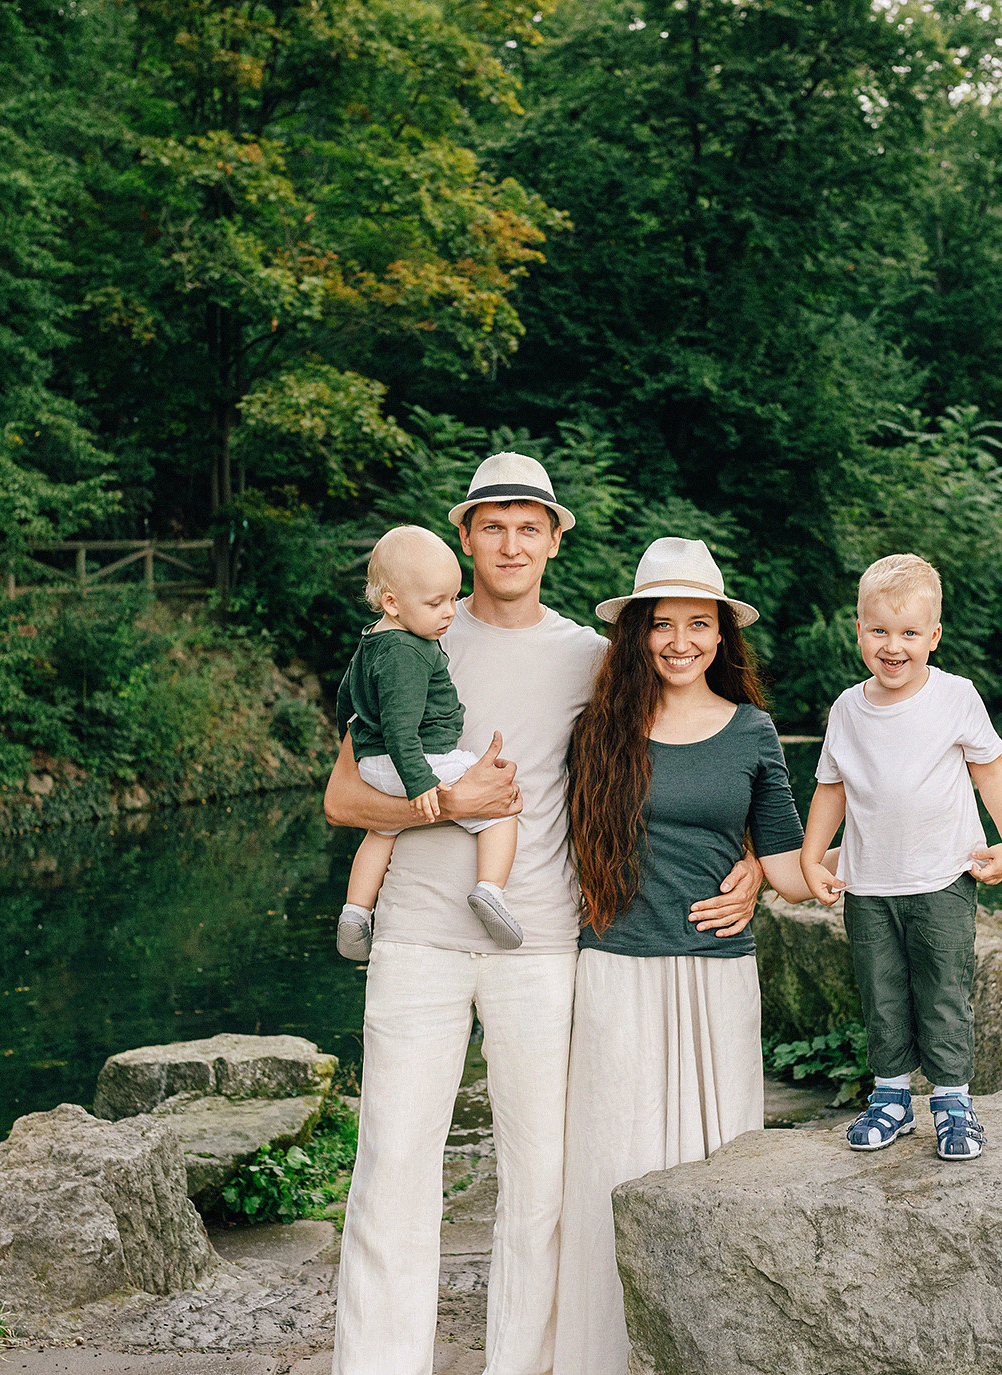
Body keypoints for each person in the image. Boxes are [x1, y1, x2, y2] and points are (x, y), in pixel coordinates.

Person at [321, 457, 765, 1375]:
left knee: (539, 1186)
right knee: (394, 1169)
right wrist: (447, 803)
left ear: (557, 538)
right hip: (414, 936)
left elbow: (693, 756)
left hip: (543, 945)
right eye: (493, 525)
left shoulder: (591, 658)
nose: (511, 542)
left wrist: (762, 860)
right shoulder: (404, 640)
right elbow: (342, 799)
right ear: (466, 538)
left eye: (530, 526)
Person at [553, 537, 816, 1375]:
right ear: (635, 633)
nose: (679, 641)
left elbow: (788, 863)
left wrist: (764, 883)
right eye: (661, 624)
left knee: (718, 1162)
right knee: (610, 1164)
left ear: (721, 635)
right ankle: (603, 1355)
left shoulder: (753, 731)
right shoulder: (596, 729)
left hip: (715, 973)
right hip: (616, 967)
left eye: (697, 623)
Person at [800, 552, 1002, 1161]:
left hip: (942, 878)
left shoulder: (955, 697)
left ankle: (953, 1103)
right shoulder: (848, 709)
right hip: (869, 884)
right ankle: (892, 1098)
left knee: (943, 989)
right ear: (858, 632)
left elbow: (991, 769)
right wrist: (812, 855)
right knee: (882, 992)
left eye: (908, 633)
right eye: (879, 630)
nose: (893, 645)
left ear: (934, 636)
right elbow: (831, 787)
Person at [332, 525, 520, 961]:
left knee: (382, 831)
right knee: (500, 805)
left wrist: (355, 737)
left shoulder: (371, 640)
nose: (449, 613)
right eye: (435, 603)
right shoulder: (408, 652)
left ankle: (355, 913)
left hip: (373, 761)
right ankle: (490, 891)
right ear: (392, 603)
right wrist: (422, 785)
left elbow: (346, 697)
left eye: (453, 598)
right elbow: (400, 729)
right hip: (415, 759)